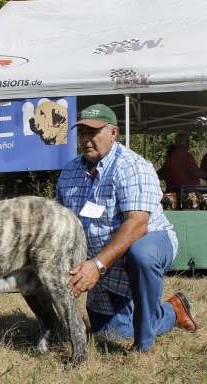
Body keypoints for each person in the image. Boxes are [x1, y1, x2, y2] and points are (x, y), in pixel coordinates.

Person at [56, 104, 197, 353]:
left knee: (142, 254)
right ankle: (173, 311)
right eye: (82, 133)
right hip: (103, 261)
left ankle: (144, 345)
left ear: (113, 133)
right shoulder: (69, 172)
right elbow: (61, 223)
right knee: (109, 330)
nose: (86, 139)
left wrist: (96, 265)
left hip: (145, 244)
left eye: (93, 132)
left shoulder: (132, 166)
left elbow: (137, 225)